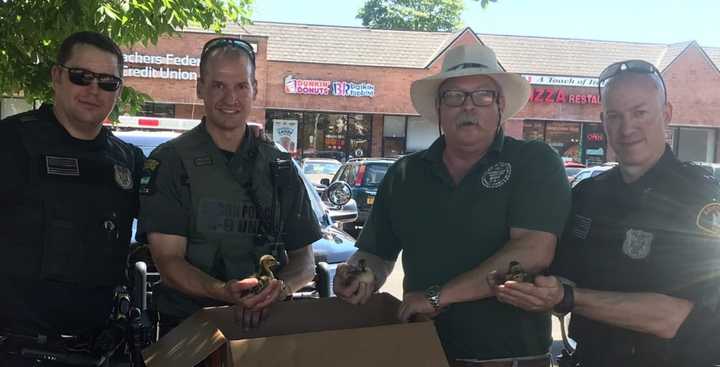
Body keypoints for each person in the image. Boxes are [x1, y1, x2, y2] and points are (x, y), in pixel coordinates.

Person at [333, 44, 571, 366]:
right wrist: (360, 275)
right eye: (454, 96)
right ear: (439, 108)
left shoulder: (534, 161)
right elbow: (376, 252)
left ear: (500, 104)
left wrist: (437, 296)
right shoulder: (406, 173)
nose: (468, 107)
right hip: (422, 350)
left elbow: (533, 250)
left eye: (482, 95)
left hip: (511, 357)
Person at [495, 60, 720, 367]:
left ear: (666, 115)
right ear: (603, 121)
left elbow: (675, 317)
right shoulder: (587, 195)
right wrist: (526, 283)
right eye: (615, 116)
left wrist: (568, 297)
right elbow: (563, 278)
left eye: (640, 113)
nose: (627, 128)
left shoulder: (701, 197)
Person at [138, 37, 320, 333]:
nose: (230, 98)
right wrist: (222, 291)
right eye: (218, 85)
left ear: (255, 89)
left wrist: (278, 290)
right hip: (190, 327)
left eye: (240, 86)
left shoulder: (279, 165)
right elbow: (169, 262)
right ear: (200, 88)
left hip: (267, 330)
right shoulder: (171, 162)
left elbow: (305, 261)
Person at [0, 32, 145, 365]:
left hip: (100, 350)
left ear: (118, 90)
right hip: (17, 350)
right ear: (56, 76)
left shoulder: (128, 160)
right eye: (81, 76)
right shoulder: (10, 142)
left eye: (107, 82)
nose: (93, 90)